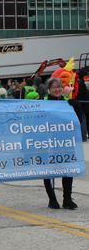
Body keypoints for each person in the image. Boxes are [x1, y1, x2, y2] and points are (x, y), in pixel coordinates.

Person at [42, 77, 82, 210]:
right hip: (48, 142)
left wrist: (76, 106)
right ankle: (52, 199)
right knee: (49, 172)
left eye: (59, 86)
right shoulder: (43, 103)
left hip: (65, 143)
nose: (57, 89)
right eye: (54, 87)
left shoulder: (67, 104)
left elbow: (78, 121)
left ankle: (67, 198)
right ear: (49, 89)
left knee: (68, 170)